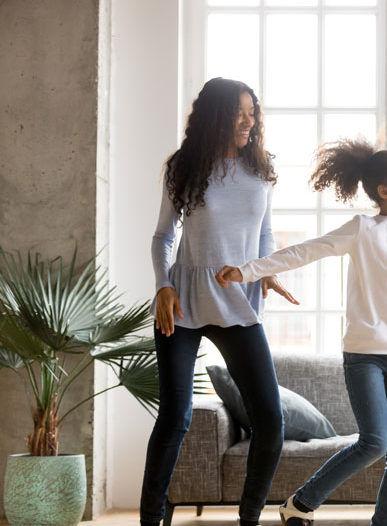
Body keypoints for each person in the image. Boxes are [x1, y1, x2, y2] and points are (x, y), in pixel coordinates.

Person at [215, 138, 387, 526]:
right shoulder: (363, 229)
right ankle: (302, 501)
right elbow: (306, 250)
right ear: (385, 191)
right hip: (364, 357)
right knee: (375, 442)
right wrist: (246, 271)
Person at [141, 77, 298, 526]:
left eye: (253, 112)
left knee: (270, 420)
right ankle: (150, 519)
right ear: (216, 116)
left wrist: (264, 271)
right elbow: (163, 237)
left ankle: (249, 518)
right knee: (175, 416)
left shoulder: (261, 168)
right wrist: (162, 286)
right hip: (183, 302)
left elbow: (264, 233)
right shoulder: (185, 166)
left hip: (238, 299)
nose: (249, 122)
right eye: (239, 113)